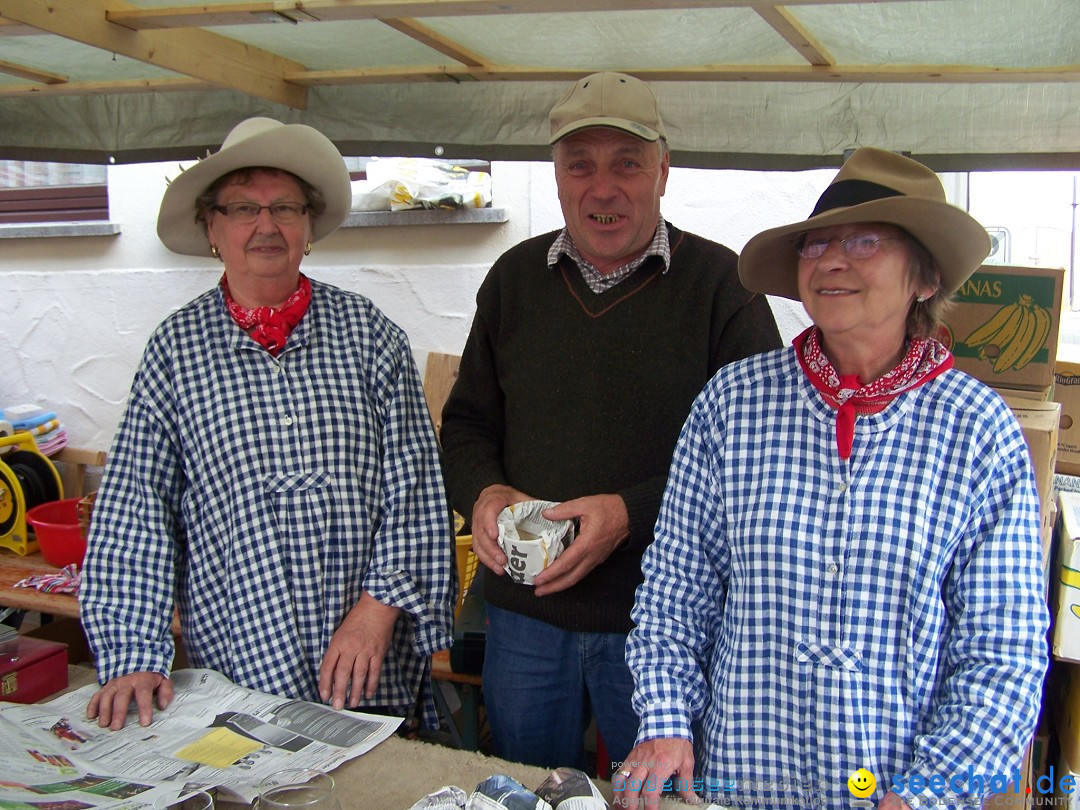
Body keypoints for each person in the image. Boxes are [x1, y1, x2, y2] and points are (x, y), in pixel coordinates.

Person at [616, 147, 1049, 809]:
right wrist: (667, 720)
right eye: (817, 245)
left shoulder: (976, 431)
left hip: (890, 792)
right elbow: (679, 587)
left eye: (867, 241)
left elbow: (1002, 653)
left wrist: (926, 794)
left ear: (925, 279)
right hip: (743, 785)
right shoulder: (735, 405)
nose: (833, 260)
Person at [439, 72, 782, 771]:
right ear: (557, 178)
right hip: (525, 615)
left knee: (659, 795)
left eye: (627, 163)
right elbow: (468, 422)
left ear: (663, 172)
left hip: (666, 626)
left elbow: (760, 466)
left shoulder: (726, 289)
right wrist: (484, 493)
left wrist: (629, 513)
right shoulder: (513, 280)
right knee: (530, 787)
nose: (603, 188)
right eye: (579, 165)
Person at [80, 117, 455, 731]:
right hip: (239, 656)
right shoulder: (176, 350)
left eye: (284, 207)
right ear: (212, 227)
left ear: (308, 227)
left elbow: (415, 491)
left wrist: (378, 608)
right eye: (242, 208)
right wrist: (132, 654)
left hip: (364, 659)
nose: (266, 225)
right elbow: (135, 509)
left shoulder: (369, 336)